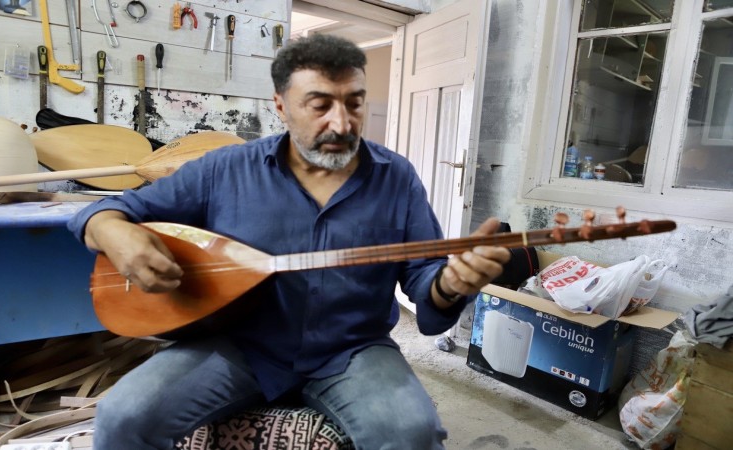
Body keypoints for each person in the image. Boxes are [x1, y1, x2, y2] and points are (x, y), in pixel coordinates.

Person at [68, 34, 511, 450]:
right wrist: (114, 230)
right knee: (123, 415)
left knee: (412, 432)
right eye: (320, 105)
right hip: (238, 344)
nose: (342, 123)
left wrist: (451, 284)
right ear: (280, 105)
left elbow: (424, 279)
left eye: (355, 103)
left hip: (352, 348)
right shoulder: (224, 169)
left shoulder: (396, 177)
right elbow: (106, 211)